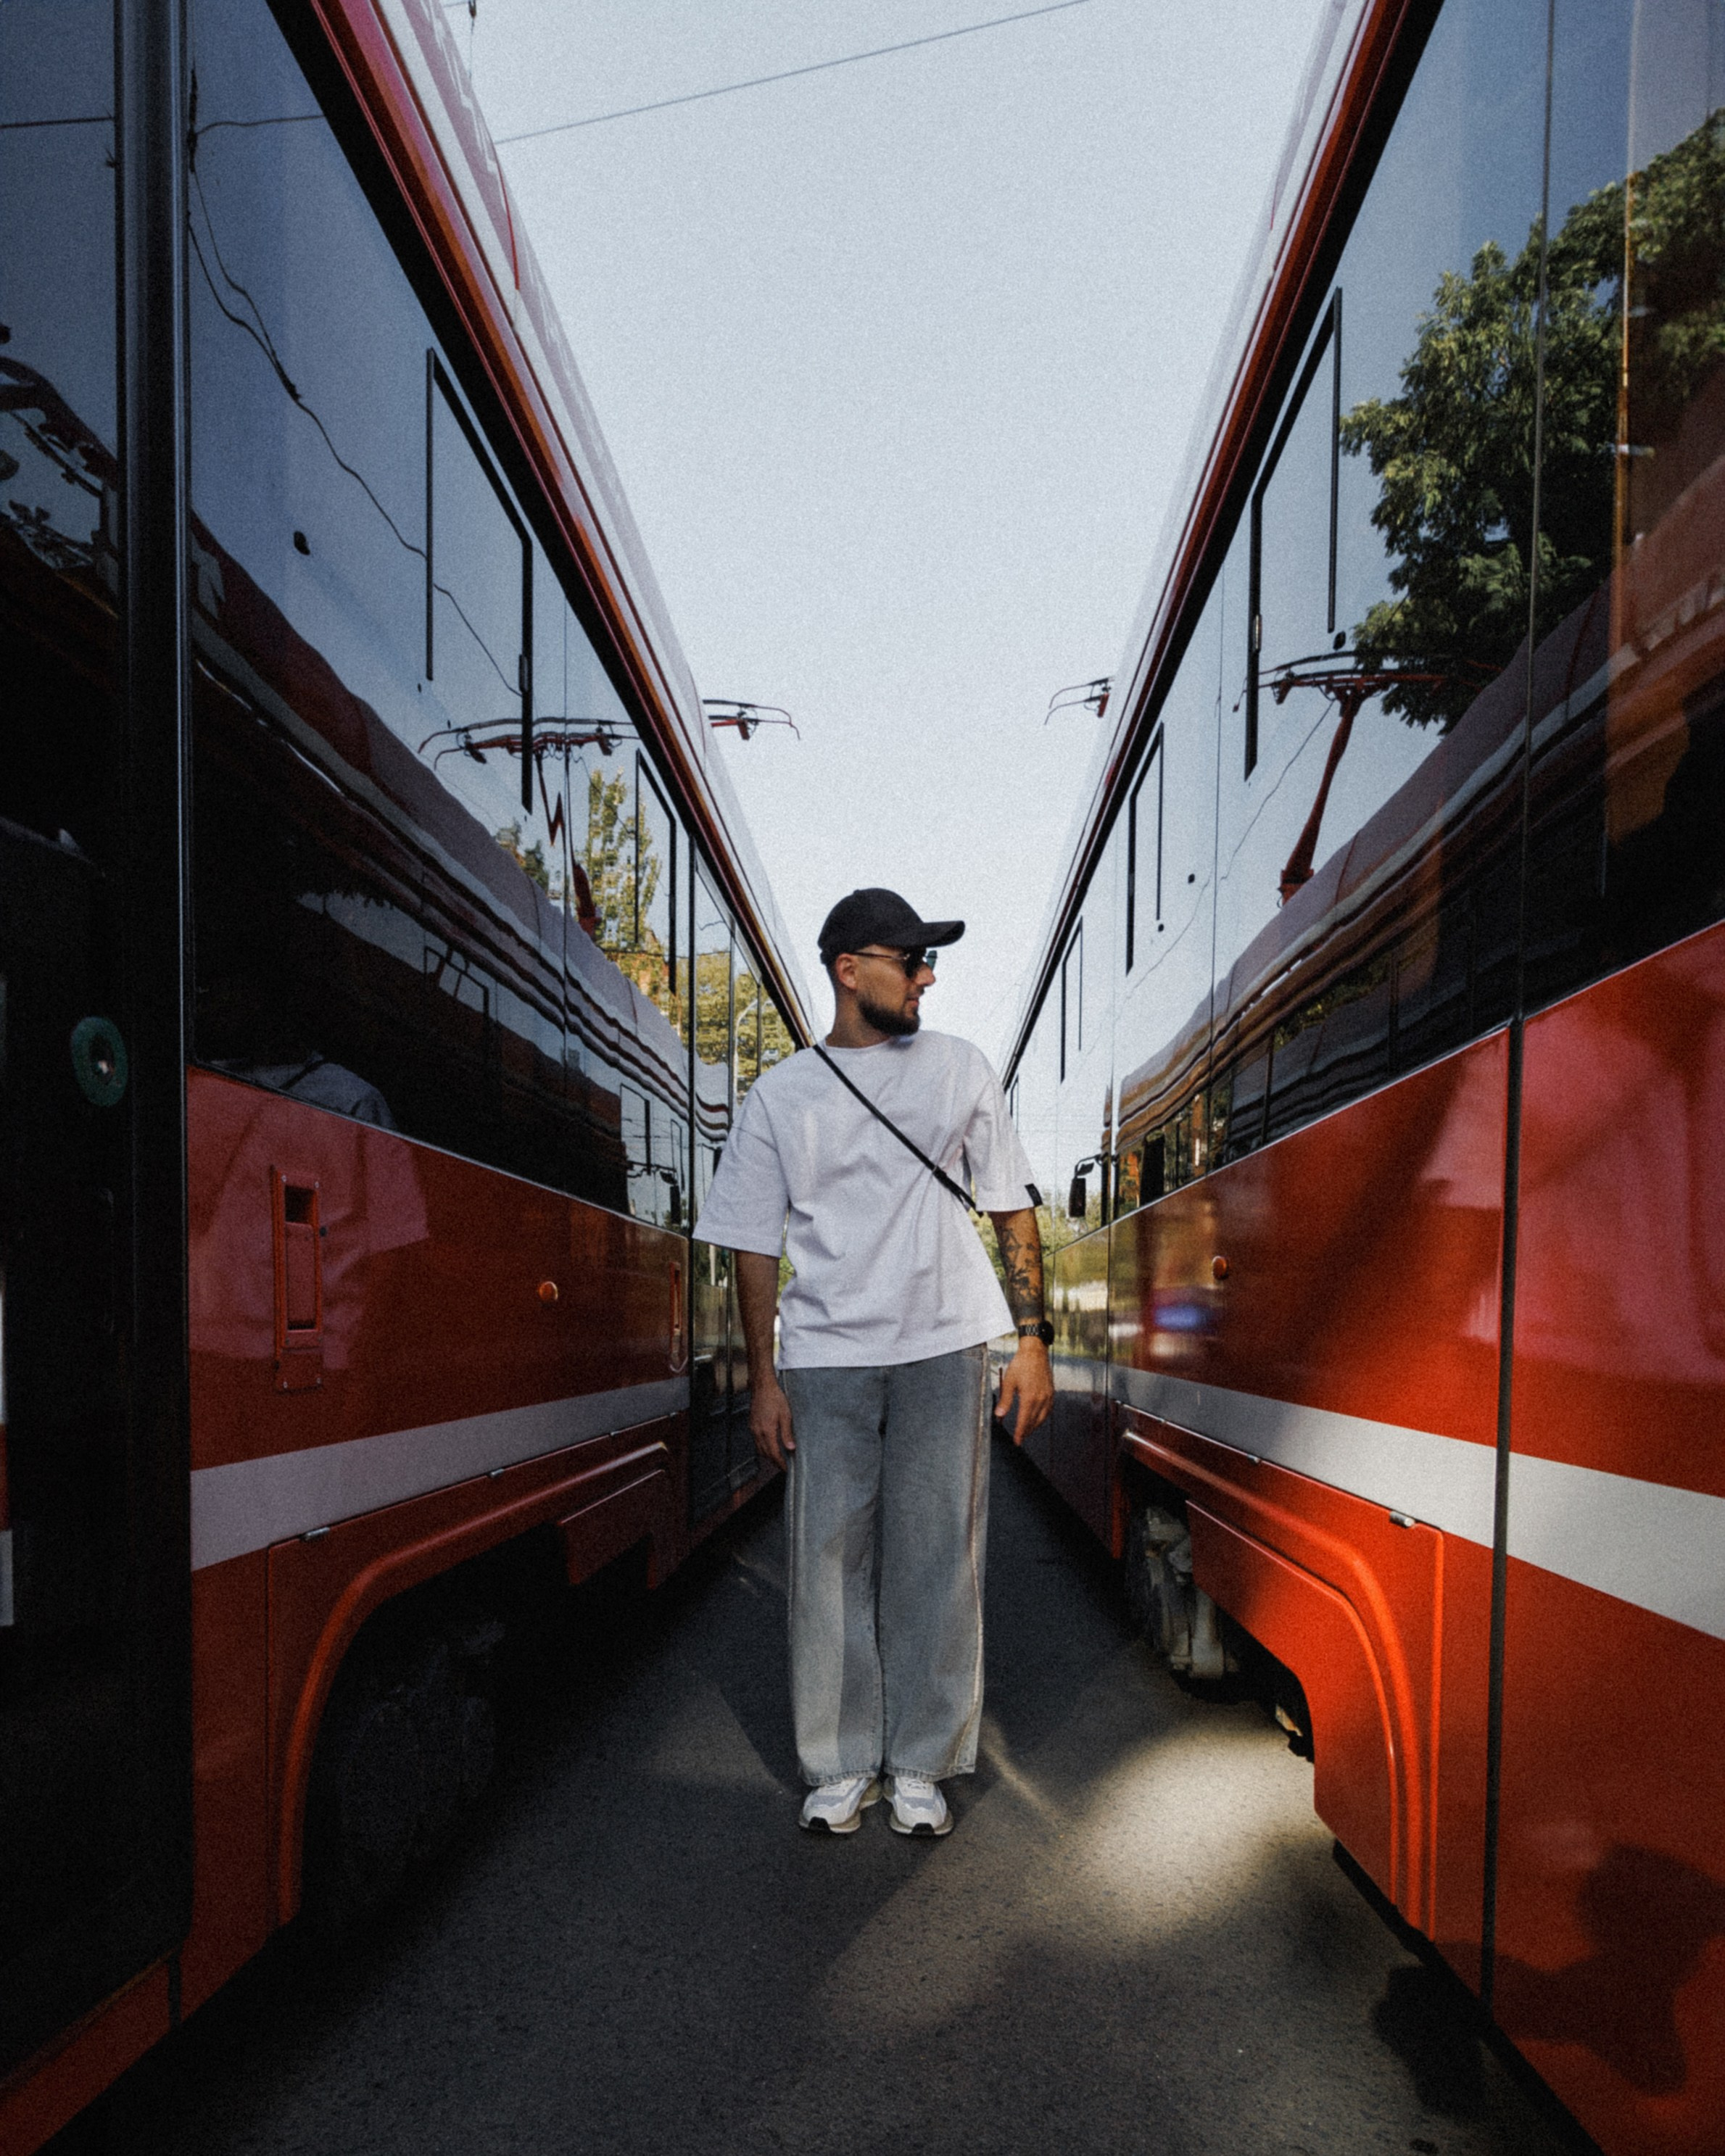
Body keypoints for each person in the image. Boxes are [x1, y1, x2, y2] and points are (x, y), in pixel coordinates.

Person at [695, 887, 1055, 1837]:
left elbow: (1013, 1205)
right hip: (825, 1355)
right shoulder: (782, 1096)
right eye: (913, 958)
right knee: (826, 1560)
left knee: (941, 1556)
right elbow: (748, 1240)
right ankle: (841, 1762)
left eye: (931, 960)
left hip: (945, 1341)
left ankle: (922, 1762)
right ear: (852, 969)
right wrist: (762, 1379)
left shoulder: (959, 1068)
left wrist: (1034, 1339)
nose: (929, 975)